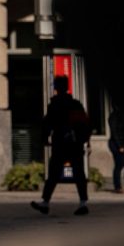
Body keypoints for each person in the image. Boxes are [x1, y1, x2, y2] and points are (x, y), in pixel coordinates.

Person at [31, 75, 91, 216]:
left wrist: (45, 138)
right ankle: (83, 203)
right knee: (78, 173)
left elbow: (47, 123)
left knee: (53, 174)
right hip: (75, 144)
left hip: (61, 144)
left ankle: (45, 202)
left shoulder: (55, 104)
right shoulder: (75, 103)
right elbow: (85, 123)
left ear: (57, 87)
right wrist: (85, 140)